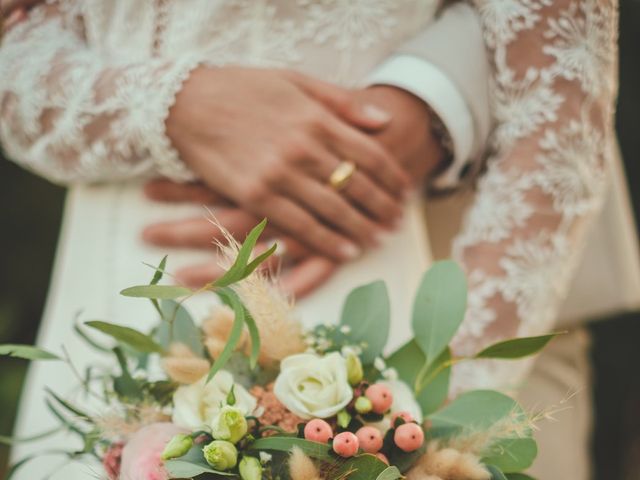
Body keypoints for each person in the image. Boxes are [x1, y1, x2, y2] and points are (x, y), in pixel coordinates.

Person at [1, 1, 637, 479]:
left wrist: (438, 434)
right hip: (113, 283)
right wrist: (166, 104)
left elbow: (560, 74)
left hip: (384, 280)